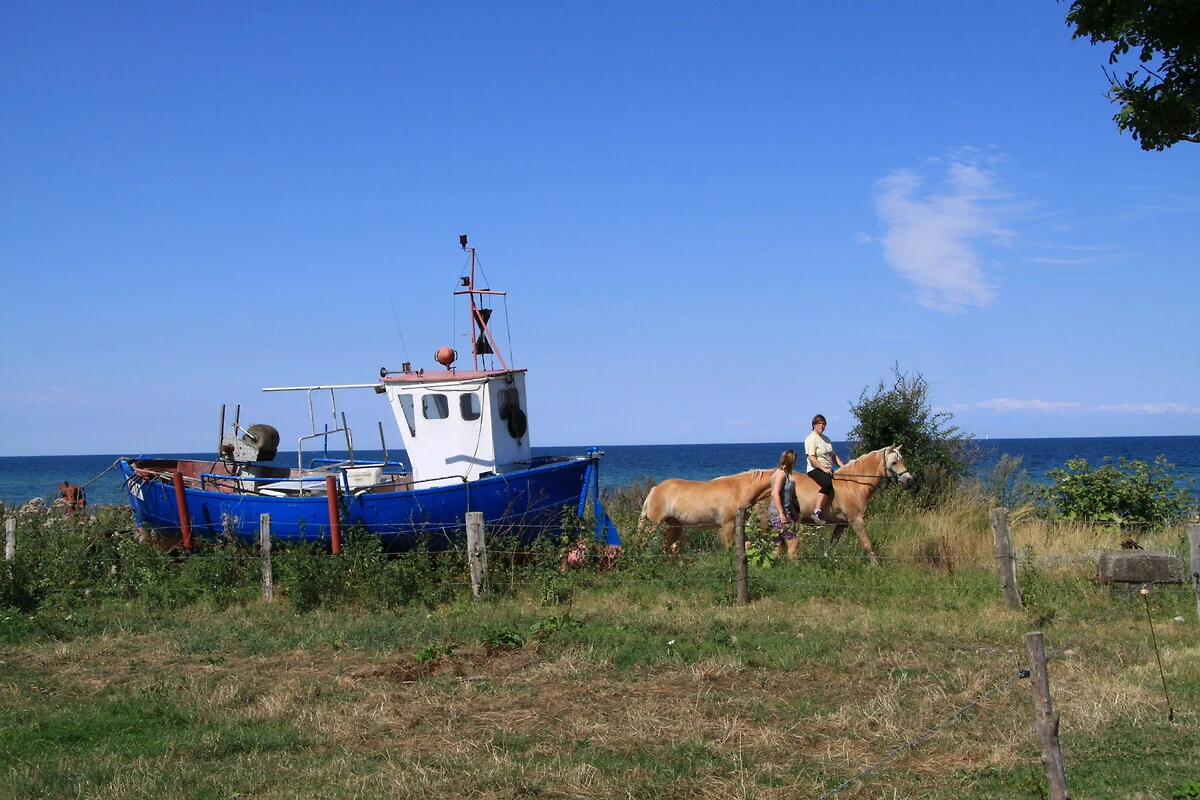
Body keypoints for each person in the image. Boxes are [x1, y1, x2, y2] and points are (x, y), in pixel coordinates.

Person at [804, 414, 845, 524]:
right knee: (827, 484)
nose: (822, 426)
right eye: (819, 423)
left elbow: (833, 456)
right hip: (815, 469)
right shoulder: (811, 438)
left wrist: (844, 467)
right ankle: (817, 512)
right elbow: (811, 457)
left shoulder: (826, 439)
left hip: (828, 469)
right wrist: (823, 469)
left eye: (823, 424)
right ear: (814, 425)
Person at [766, 449, 801, 537]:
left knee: (779, 543)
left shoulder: (786, 474)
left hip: (785, 514)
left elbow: (787, 498)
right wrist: (782, 514)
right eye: (794, 461)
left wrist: (794, 514)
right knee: (793, 542)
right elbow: (775, 493)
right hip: (778, 515)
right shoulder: (781, 474)